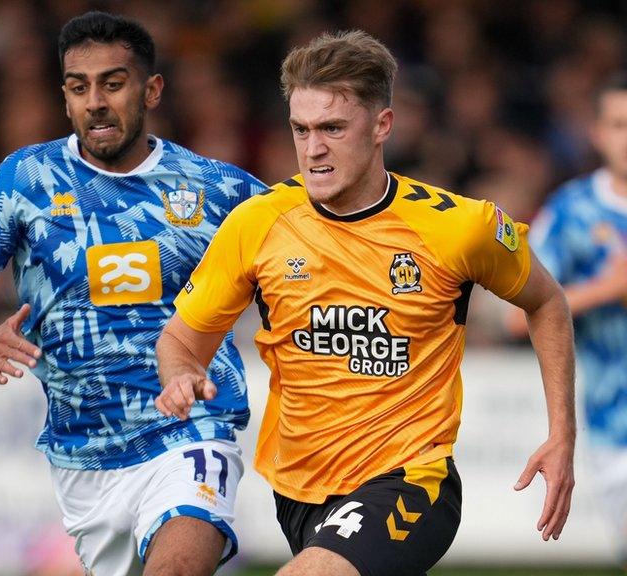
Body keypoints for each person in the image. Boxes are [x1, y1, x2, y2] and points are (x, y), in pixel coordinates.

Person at [155, 30, 576, 576]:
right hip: (298, 488)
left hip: (411, 479)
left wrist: (561, 435)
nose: (313, 149)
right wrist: (180, 374)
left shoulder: (458, 227)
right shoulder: (259, 223)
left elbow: (546, 303)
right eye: (301, 129)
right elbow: (181, 339)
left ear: (382, 126)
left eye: (332, 127)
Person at [0, 12, 266, 576]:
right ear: (65, 97)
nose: (96, 101)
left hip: (191, 427)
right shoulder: (24, 181)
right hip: (85, 456)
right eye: (79, 87)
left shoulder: (220, 189)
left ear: (151, 89)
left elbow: (310, 258)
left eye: (113, 83)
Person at [508, 73, 627, 567]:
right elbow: (518, 318)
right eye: (620, 124)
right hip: (614, 423)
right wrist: (610, 289)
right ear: (597, 132)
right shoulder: (572, 211)